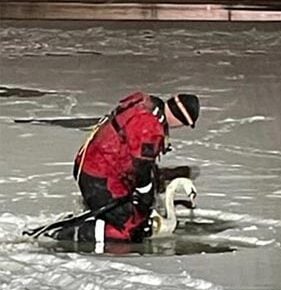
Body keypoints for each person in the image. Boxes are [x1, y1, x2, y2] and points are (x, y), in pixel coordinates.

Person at [52, 91, 200, 243]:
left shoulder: (147, 103)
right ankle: (71, 234)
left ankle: (95, 217)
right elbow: (141, 166)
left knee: (135, 212)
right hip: (100, 176)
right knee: (129, 229)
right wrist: (145, 193)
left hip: (91, 162)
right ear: (181, 119)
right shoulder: (150, 127)